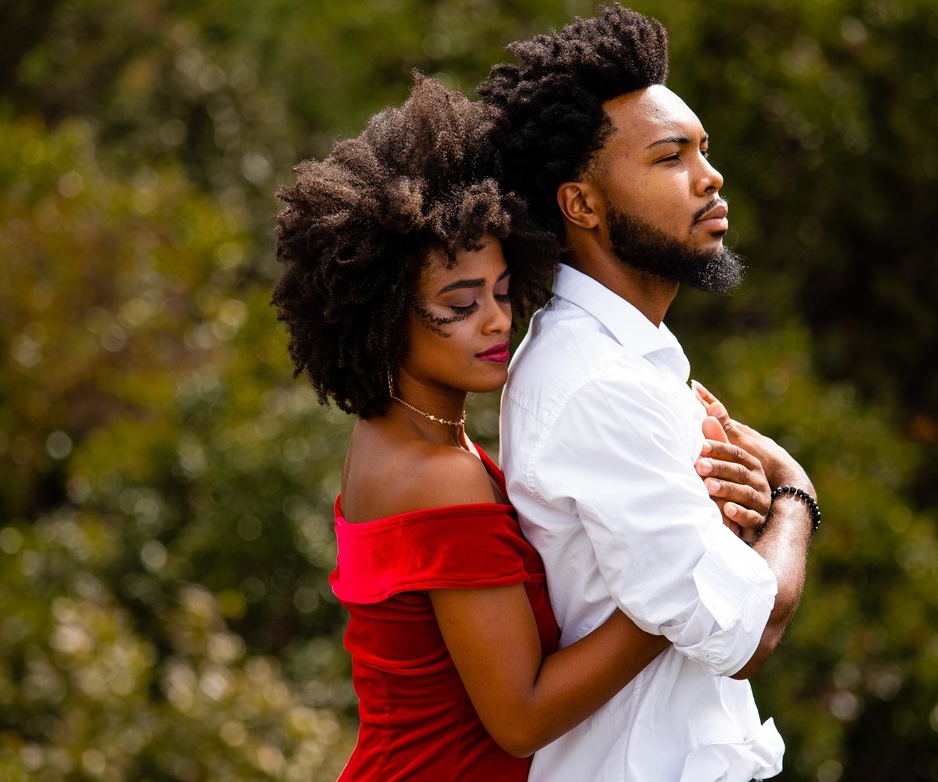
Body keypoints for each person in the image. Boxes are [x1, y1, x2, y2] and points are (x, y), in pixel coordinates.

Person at [271, 73, 782, 780]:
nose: (496, 322)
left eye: (503, 291)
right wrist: (690, 575)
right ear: (381, 316)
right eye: (459, 305)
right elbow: (521, 718)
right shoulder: (437, 475)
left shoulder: (403, 439)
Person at [479, 4, 820, 781]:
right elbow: (746, 634)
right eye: (671, 157)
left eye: (704, 149)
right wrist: (794, 494)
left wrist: (743, 530)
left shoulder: (631, 361)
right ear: (582, 204)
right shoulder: (597, 385)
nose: (710, 176)